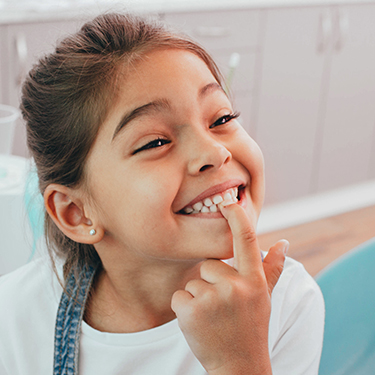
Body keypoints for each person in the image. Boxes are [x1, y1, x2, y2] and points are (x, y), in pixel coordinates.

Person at [0, 12, 324, 375]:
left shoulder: (288, 303)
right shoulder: (11, 319)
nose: (216, 153)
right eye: (156, 141)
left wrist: (240, 362)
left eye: (221, 119)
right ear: (76, 212)